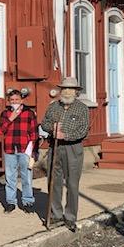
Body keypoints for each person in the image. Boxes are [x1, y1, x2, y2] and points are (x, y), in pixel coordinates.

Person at [40, 77, 89, 232]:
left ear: (76, 92)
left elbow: (83, 130)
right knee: (53, 182)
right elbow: (44, 122)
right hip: (55, 147)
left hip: (73, 149)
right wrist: (52, 129)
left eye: (70, 89)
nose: (67, 91)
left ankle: (70, 217)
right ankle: (56, 214)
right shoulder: (54, 106)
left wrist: (65, 135)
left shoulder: (82, 108)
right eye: (64, 88)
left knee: (72, 184)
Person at [0, 89, 37, 214]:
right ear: (9, 101)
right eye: (12, 100)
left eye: (17, 100)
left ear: (21, 100)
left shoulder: (29, 113)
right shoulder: (5, 113)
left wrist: (34, 151)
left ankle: (27, 201)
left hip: (24, 149)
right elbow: (0, 131)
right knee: (10, 177)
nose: (14, 102)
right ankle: (10, 202)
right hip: (9, 149)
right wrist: (10, 119)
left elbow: (34, 133)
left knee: (26, 177)